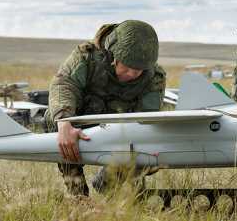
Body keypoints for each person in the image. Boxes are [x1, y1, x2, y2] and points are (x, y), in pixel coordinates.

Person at [45, 20, 166, 196]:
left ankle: (108, 186)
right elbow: (64, 85)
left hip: (123, 132)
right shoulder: (86, 58)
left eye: (138, 70)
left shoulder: (153, 77)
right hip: (84, 122)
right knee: (52, 118)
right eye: (127, 67)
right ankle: (77, 194)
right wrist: (64, 122)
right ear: (113, 54)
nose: (132, 74)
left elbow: (147, 122)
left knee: (146, 145)